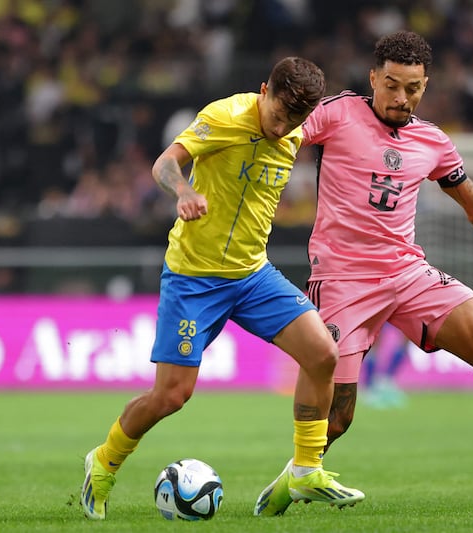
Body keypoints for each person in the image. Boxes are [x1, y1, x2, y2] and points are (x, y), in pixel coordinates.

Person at [255, 31, 473, 517]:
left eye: (413, 88)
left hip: (408, 274)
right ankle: (290, 482)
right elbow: (273, 126)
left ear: (426, 86)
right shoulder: (336, 113)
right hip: (342, 281)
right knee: (338, 418)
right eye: (391, 85)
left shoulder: (433, 142)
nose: (401, 97)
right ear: (373, 79)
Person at [81, 56, 364, 520]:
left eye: (295, 119)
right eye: (278, 112)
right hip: (194, 278)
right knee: (171, 396)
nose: (283, 126)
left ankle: (305, 469)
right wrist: (184, 191)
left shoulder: (295, 131)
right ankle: (104, 461)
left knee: (323, 354)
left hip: (253, 275)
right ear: (263, 90)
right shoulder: (225, 117)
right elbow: (165, 163)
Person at [362, 323, 408, 409]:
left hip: (398, 309)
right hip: (378, 310)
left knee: (407, 337)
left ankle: (388, 380)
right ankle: (370, 387)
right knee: (375, 339)